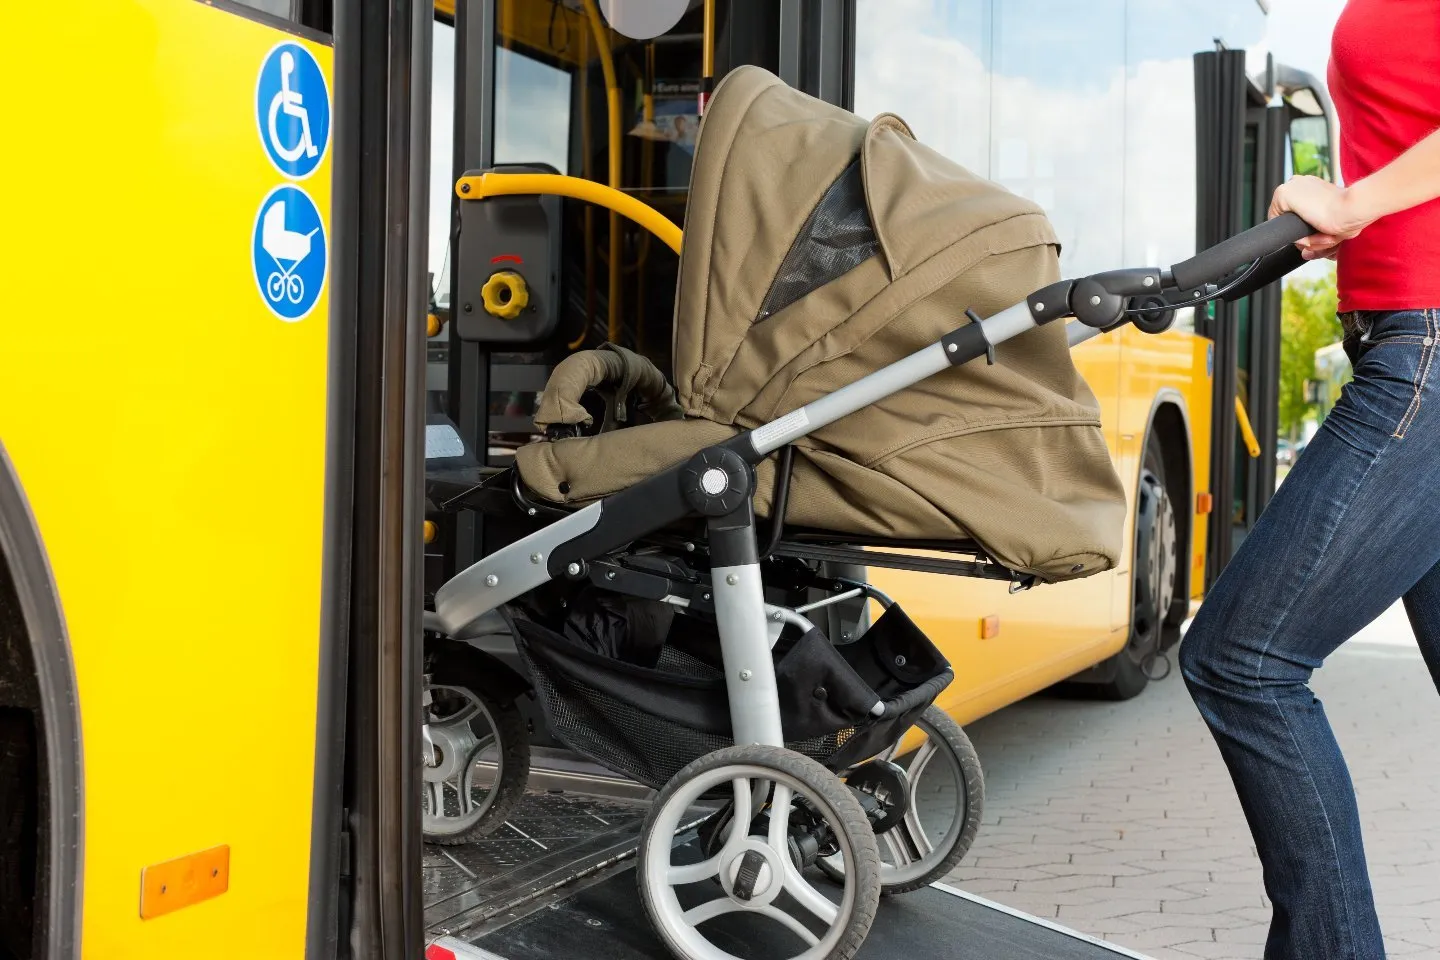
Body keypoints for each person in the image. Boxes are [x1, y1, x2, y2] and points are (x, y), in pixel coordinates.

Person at [1178, 2, 1440, 958]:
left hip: (1427, 354)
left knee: (1242, 661)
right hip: (1401, 337)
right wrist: (1344, 209)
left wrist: (1360, 205)